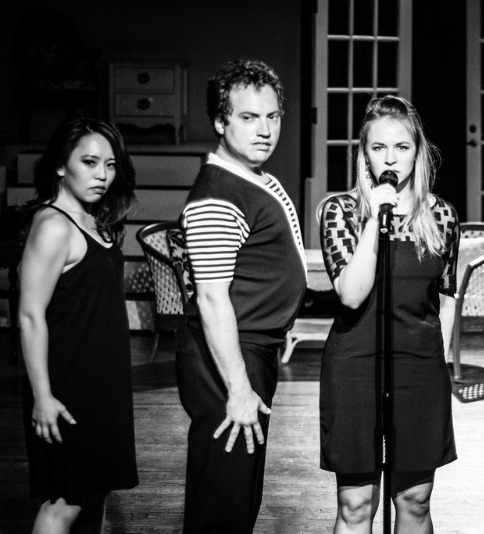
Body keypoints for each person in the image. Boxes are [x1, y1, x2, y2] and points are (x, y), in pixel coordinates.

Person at [176, 58, 307, 533]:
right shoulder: (217, 194)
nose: (265, 129)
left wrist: (283, 324)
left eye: (272, 116)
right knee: (222, 508)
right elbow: (211, 298)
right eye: (248, 117)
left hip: (254, 347)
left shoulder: (255, 178)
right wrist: (237, 388)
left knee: (238, 499)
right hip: (228, 358)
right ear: (220, 121)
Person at [317, 94, 459, 533]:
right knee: (357, 504)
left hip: (418, 366)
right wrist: (374, 221)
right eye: (378, 148)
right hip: (355, 365)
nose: (390, 158)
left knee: (414, 499)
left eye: (401, 147)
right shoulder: (340, 211)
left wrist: (438, 363)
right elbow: (352, 294)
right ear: (363, 155)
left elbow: (447, 295)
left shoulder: (441, 215)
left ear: (417, 152)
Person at [18, 116, 138, 533]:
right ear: (59, 166)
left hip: (103, 385)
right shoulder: (53, 225)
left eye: (109, 165)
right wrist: (42, 396)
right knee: (63, 503)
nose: (102, 175)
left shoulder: (93, 223)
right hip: (67, 387)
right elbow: (29, 315)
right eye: (89, 162)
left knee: (94, 494)